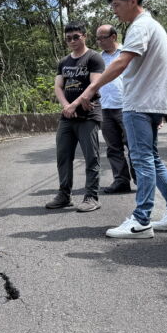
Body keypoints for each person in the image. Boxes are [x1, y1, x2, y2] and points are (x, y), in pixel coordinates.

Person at [77, 0, 167, 238]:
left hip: (139, 104)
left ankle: (141, 220)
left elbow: (121, 61)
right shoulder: (152, 25)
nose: (115, 11)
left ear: (132, 1)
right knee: (152, 159)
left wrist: (91, 88)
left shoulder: (140, 26)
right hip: (150, 103)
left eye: (117, 5)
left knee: (141, 161)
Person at [46, 22, 105, 212]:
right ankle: (64, 195)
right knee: (63, 156)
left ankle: (91, 197)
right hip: (67, 117)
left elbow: (94, 84)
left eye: (76, 37)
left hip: (88, 115)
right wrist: (66, 106)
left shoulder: (93, 58)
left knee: (91, 157)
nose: (72, 41)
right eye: (68, 38)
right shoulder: (64, 62)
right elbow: (58, 86)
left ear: (84, 36)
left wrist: (74, 104)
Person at [95, 24, 135, 194]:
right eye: (97, 39)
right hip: (105, 107)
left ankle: (142, 180)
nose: (99, 42)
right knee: (113, 148)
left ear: (113, 37)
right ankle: (121, 181)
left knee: (133, 145)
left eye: (102, 38)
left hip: (127, 106)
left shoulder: (128, 53)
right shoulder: (98, 59)